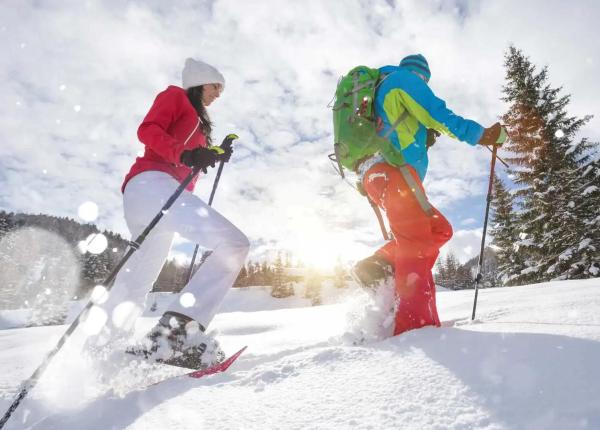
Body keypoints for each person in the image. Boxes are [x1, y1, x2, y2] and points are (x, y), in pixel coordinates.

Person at [86, 58, 250, 369]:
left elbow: (189, 155)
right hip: (152, 185)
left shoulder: (199, 124)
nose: (218, 93)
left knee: (138, 281)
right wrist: (187, 153)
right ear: (200, 81)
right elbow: (149, 131)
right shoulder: (175, 96)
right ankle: (176, 336)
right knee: (234, 244)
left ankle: (104, 355)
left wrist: (213, 153)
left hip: (153, 195)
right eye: (216, 86)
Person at [351, 54, 506, 336]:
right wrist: (483, 135)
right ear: (421, 75)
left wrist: (422, 136)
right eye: (425, 80)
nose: (425, 84)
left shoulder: (384, 87)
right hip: (393, 173)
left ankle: (380, 264)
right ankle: (416, 329)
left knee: (438, 229)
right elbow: (439, 114)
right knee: (417, 242)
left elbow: (395, 129)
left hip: (385, 175)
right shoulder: (403, 80)